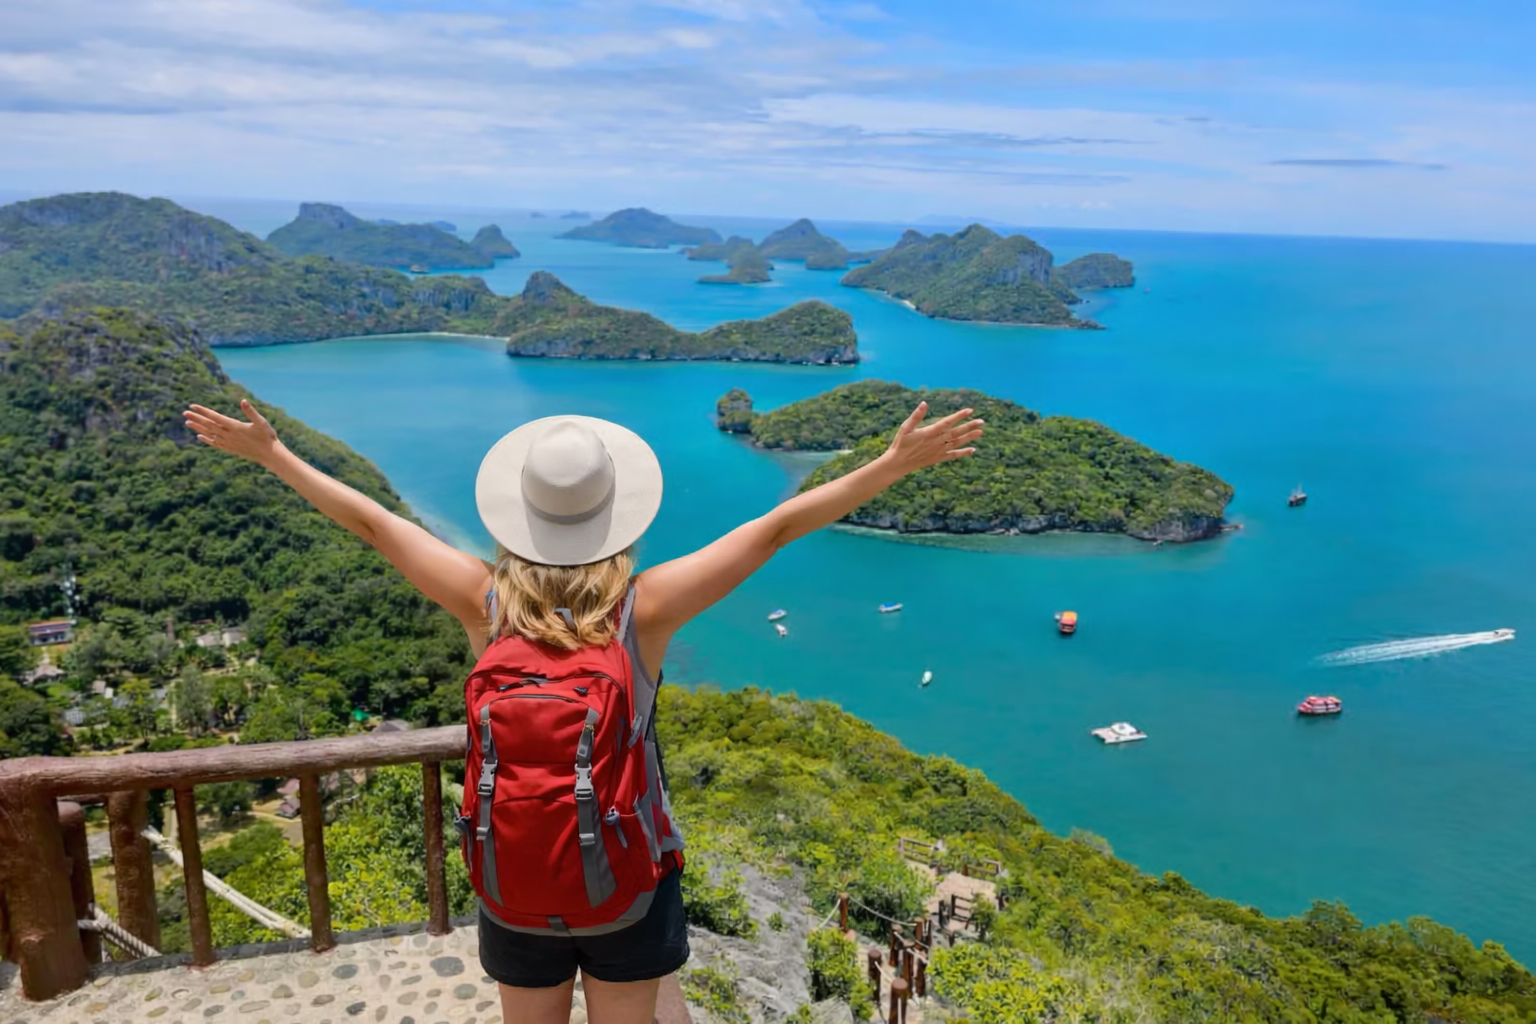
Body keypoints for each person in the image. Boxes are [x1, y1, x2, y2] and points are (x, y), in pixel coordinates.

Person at [182, 397, 983, 1024]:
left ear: (517, 516)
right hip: (625, 884)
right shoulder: (647, 610)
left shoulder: (483, 602)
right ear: (616, 516)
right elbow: (776, 528)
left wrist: (274, 453)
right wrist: (890, 464)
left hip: (515, 880)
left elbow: (369, 521)